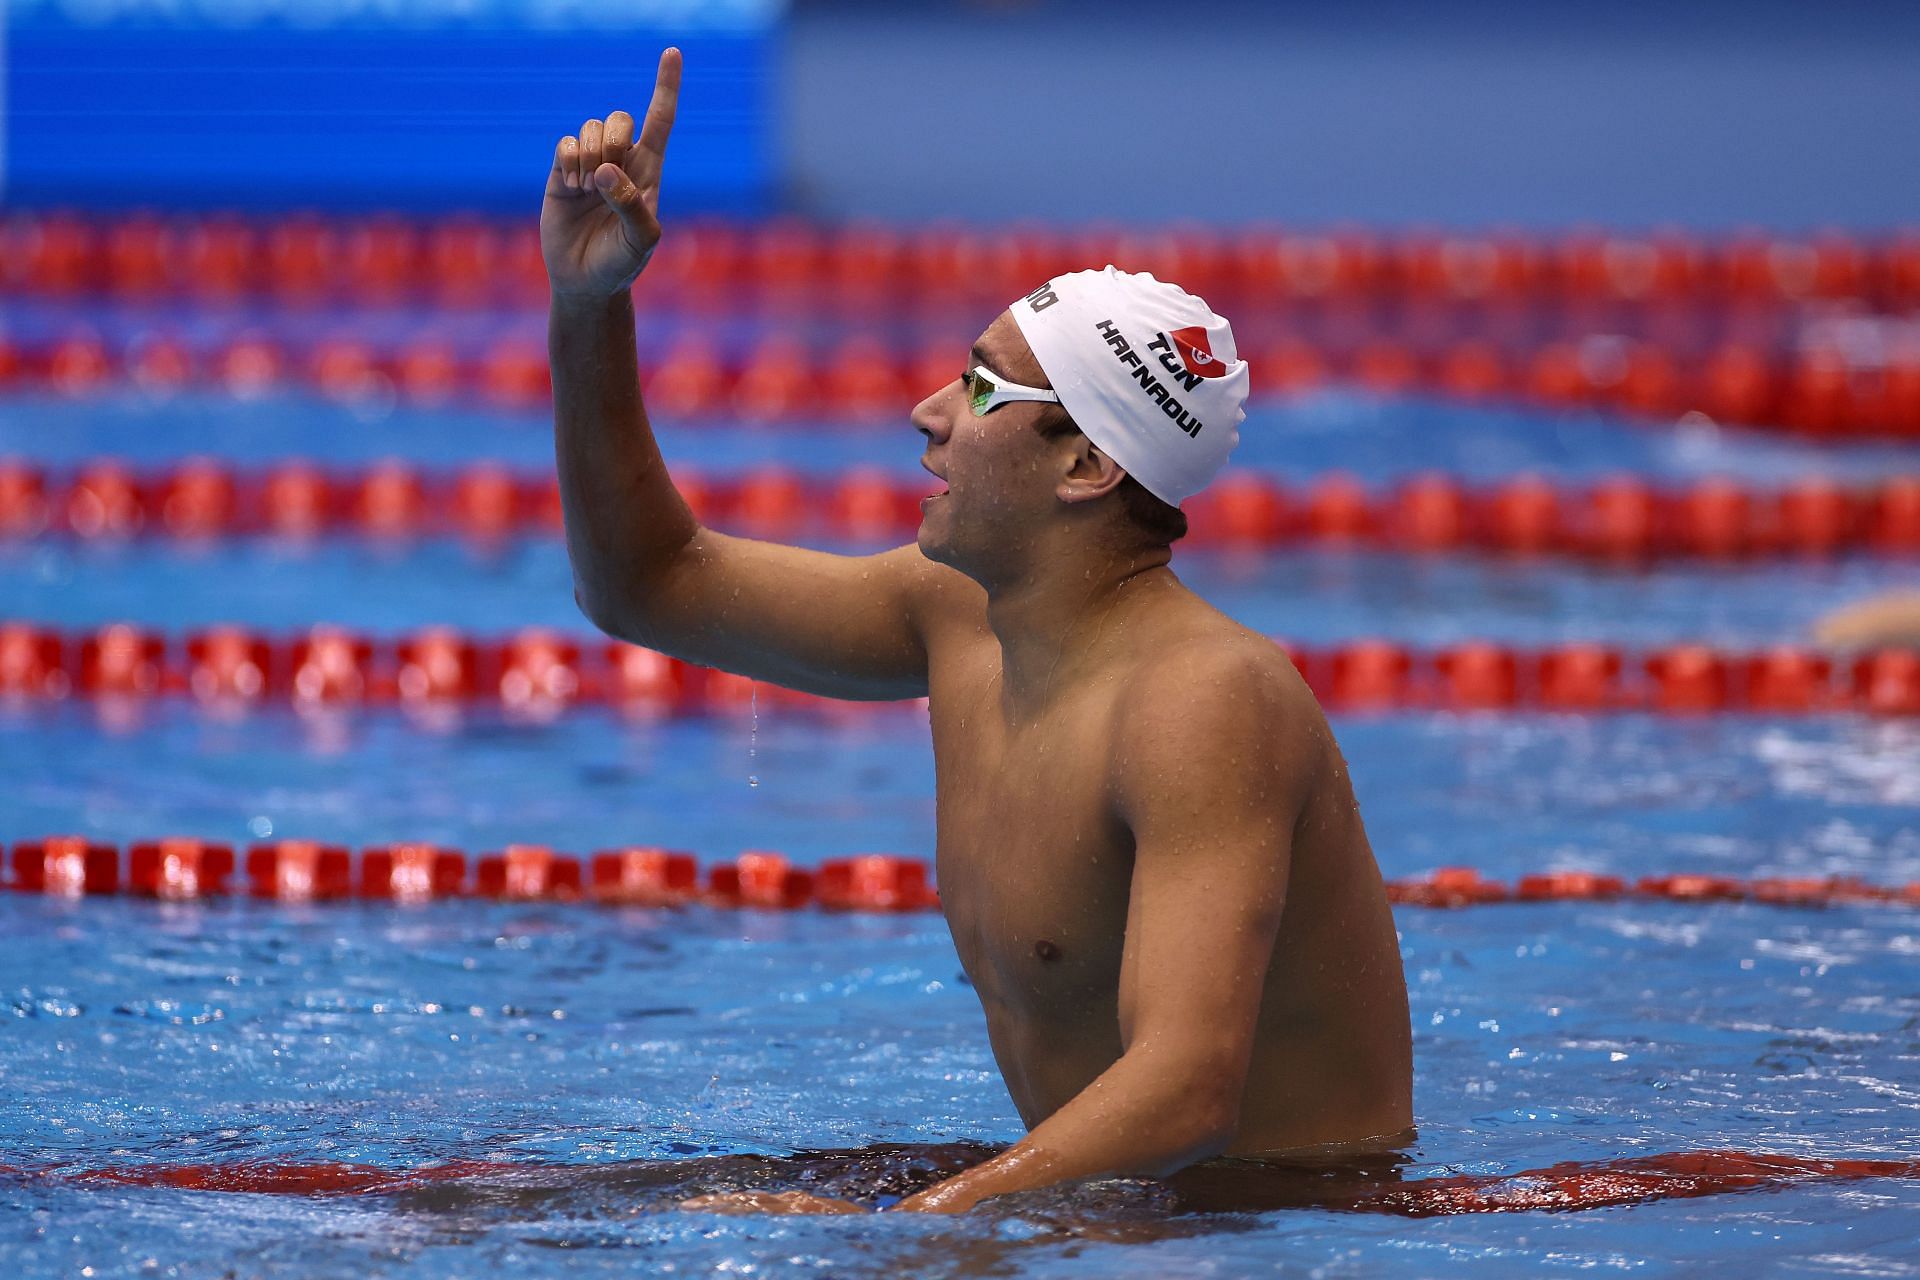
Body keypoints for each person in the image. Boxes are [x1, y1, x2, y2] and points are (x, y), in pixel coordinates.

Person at [541, 49, 1413, 1215]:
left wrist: (904, 1237)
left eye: (983, 389)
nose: (930, 411)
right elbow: (644, 583)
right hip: (1103, 1209)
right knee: (541, 1206)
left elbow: (1187, 1088)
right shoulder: (960, 617)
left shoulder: (1207, 700)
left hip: (1281, 1226)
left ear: (1090, 464)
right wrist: (590, 305)